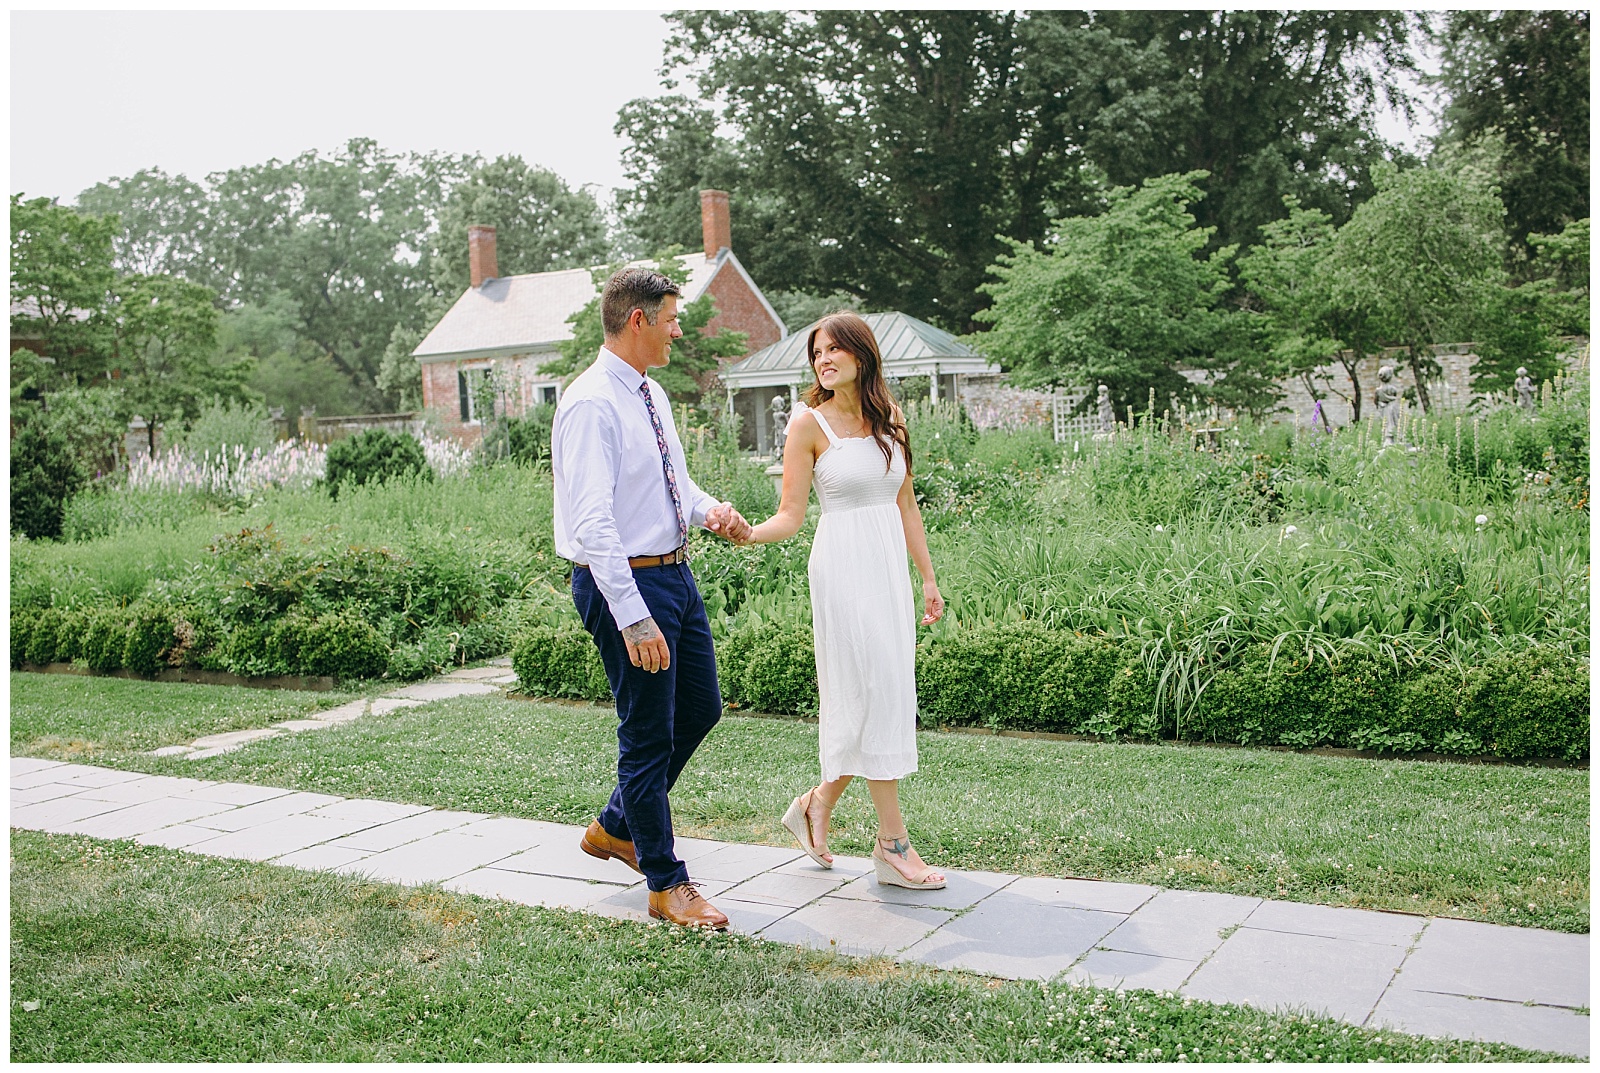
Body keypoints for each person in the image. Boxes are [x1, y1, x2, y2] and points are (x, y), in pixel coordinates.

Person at [551, 267, 752, 929]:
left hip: (675, 574)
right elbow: (594, 523)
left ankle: (616, 823)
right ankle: (666, 883)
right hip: (626, 583)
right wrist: (632, 615)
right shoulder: (590, 403)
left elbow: (674, 486)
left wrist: (709, 510)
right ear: (638, 319)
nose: (679, 328)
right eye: (672, 317)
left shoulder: (651, 394)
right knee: (647, 733)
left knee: (700, 707)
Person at [741, 311, 947, 889]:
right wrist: (748, 533)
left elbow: (907, 506)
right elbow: (790, 515)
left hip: (888, 571)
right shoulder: (808, 424)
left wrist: (927, 580)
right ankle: (893, 845)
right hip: (842, 568)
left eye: (833, 350)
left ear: (861, 356)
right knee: (872, 691)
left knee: (882, 692)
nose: (822, 360)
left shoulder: (891, 420)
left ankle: (814, 804)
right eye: (816, 353)